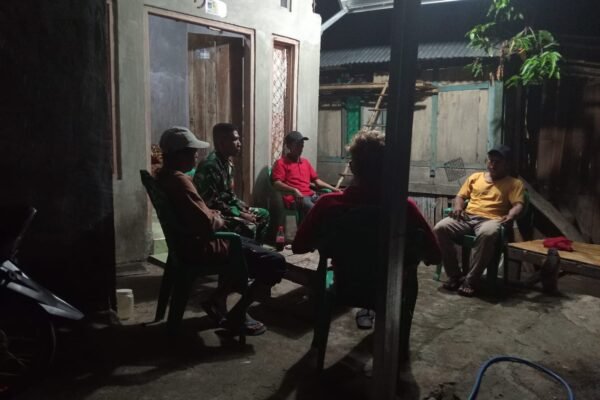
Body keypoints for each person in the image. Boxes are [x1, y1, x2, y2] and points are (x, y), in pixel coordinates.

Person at [292, 130, 441, 333]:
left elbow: (299, 246)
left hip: (346, 285)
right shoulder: (403, 208)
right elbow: (435, 255)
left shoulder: (329, 204)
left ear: (353, 167)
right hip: (391, 289)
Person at [156, 126, 286, 335]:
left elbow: (208, 208)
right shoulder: (181, 181)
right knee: (275, 262)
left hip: (189, 241)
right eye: (192, 151)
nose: (196, 155)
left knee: (253, 243)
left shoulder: (165, 176)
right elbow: (208, 222)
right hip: (203, 245)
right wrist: (217, 216)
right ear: (179, 154)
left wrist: (220, 213)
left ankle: (219, 297)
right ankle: (236, 313)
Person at [434, 145, 524, 297]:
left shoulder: (514, 183)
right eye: (491, 161)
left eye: (497, 162)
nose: (492, 165)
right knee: (440, 228)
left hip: (491, 219)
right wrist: (458, 207)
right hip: (467, 217)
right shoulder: (475, 177)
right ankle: (454, 275)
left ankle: (470, 280)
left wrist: (511, 215)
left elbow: (518, 205)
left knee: (488, 233)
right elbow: (460, 196)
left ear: (507, 164)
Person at [193, 123, 269, 243]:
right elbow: (211, 202)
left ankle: (256, 249)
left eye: (238, 139)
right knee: (249, 225)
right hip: (214, 215)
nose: (239, 143)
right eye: (234, 139)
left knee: (263, 214)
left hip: (228, 209)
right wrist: (239, 214)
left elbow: (229, 195)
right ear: (221, 143)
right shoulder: (210, 166)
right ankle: (242, 252)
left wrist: (243, 208)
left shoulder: (227, 163)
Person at [271, 131, 339, 219]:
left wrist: (335, 189)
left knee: (331, 206)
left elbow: (317, 182)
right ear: (288, 146)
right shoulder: (281, 163)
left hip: (311, 195)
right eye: (297, 145)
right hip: (295, 198)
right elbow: (276, 183)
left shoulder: (305, 162)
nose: (301, 148)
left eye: (302, 145)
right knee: (315, 210)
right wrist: (294, 190)